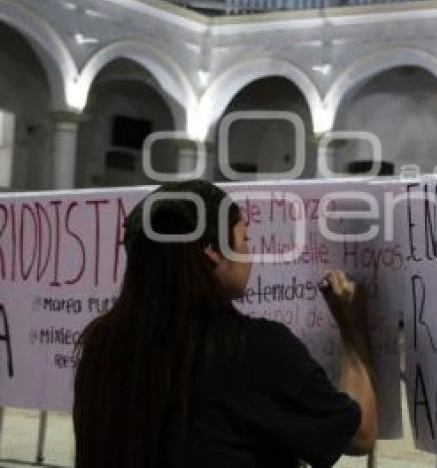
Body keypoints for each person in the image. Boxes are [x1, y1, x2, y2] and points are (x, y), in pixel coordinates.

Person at [73, 180, 377, 468]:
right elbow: (359, 435)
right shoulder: (251, 348)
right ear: (213, 251)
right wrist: (352, 332)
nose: (250, 252)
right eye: (245, 238)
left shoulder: (102, 343)